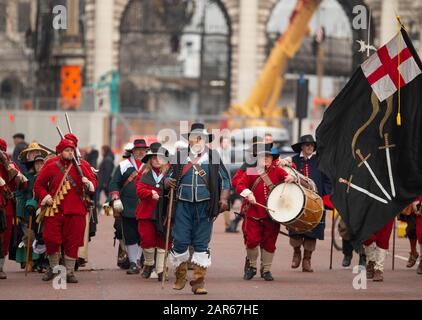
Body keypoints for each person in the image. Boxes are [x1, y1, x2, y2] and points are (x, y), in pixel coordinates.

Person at [165, 123, 230, 295]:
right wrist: (167, 182)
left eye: (201, 137)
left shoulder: (213, 155)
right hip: (183, 205)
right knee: (179, 241)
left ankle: (199, 282)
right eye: (195, 137)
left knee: (201, 243)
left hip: (205, 206)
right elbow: (168, 177)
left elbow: (225, 180)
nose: (198, 140)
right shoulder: (180, 156)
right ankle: (180, 276)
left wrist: (223, 199)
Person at [33, 139, 97, 283]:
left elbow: (94, 183)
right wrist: (46, 196)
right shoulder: (50, 165)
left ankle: (69, 272)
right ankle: (55, 268)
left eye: (71, 150)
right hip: (54, 209)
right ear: (60, 152)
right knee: (51, 240)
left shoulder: (82, 165)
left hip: (76, 210)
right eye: (67, 150)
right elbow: (38, 185)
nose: (70, 153)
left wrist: (89, 183)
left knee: (73, 242)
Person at [234, 142, 295, 281]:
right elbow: (239, 185)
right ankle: (252, 267)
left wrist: (292, 178)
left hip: (272, 215)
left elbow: (289, 178)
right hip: (253, 213)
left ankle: (266, 270)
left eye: (268, 156)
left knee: (269, 243)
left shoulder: (278, 171)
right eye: (263, 156)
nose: (266, 158)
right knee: (252, 241)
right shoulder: (251, 171)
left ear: (272, 158)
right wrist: (248, 193)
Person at [289, 135, 332, 272]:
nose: (309, 147)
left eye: (312, 145)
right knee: (295, 230)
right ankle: (297, 253)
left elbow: (327, 180)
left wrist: (326, 198)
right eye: (307, 145)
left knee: (313, 231)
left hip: (315, 202)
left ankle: (307, 259)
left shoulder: (320, 161)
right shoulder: (293, 160)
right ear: (301, 146)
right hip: (296, 201)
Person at [109, 139, 149, 275]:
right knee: (131, 236)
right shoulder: (123, 165)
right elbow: (114, 183)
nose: (140, 152)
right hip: (128, 206)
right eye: (138, 149)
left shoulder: (149, 165)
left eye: (143, 149)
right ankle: (133, 263)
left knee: (143, 235)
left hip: (146, 206)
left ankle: (138, 260)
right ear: (133, 151)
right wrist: (115, 198)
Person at [135, 143, 170, 281]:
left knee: (163, 240)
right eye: (154, 158)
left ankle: (161, 270)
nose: (156, 160)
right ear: (150, 159)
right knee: (147, 239)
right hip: (147, 212)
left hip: (164, 212)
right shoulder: (143, 173)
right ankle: (149, 263)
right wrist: (150, 193)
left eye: (159, 158)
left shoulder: (169, 173)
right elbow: (139, 190)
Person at [15, 149, 48, 272]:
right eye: (37, 163)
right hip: (28, 212)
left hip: (44, 211)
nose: (39, 166)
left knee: (44, 236)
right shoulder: (27, 178)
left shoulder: (48, 177)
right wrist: (19, 212)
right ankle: (29, 261)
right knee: (29, 236)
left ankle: (42, 263)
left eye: (41, 163)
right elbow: (19, 194)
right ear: (33, 165)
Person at [0, 138, 27, 279]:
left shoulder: (10, 165)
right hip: (6, 206)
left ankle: (0, 267)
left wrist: (18, 177)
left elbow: (22, 185)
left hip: (5, 206)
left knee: (5, 238)